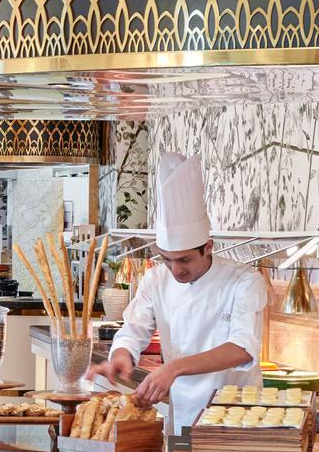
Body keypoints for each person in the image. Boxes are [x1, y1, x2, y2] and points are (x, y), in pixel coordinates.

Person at [90, 153, 267, 431]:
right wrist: (121, 356)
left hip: (236, 419)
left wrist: (173, 368)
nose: (175, 270)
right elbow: (132, 331)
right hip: (183, 414)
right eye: (166, 259)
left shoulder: (244, 281)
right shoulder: (155, 280)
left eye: (184, 260)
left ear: (208, 247)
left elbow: (242, 349)